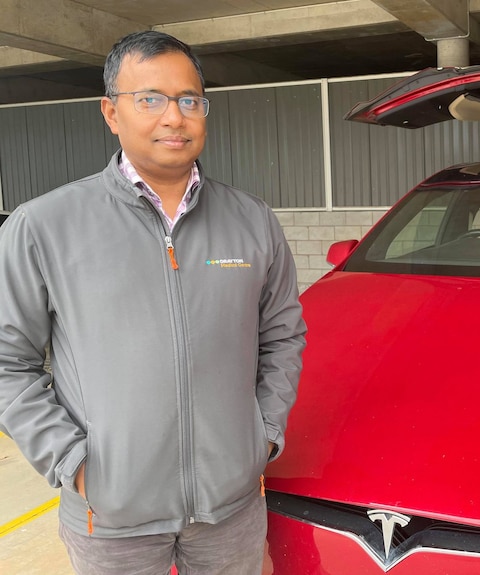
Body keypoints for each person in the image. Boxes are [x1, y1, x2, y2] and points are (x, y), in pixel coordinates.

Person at [0, 31, 307, 574]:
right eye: (150, 99)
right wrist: (71, 462)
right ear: (110, 112)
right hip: (112, 519)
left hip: (229, 511)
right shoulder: (43, 226)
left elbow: (282, 335)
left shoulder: (251, 220)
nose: (174, 117)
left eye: (190, 100)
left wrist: (262, 435)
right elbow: (8, 362)